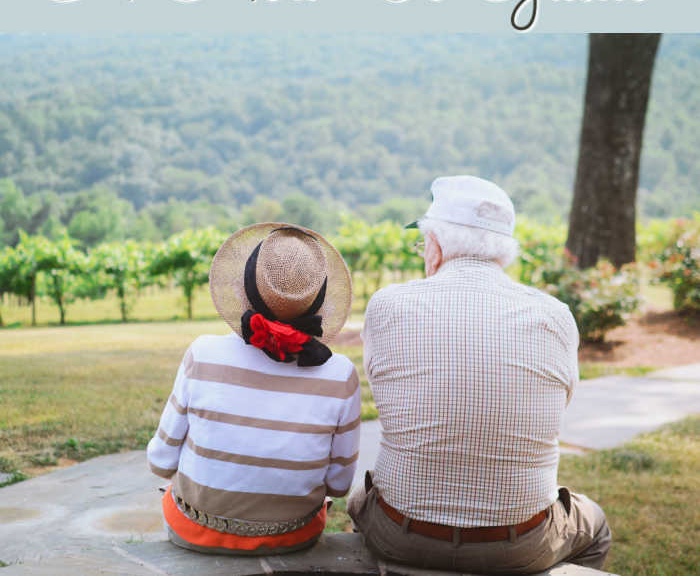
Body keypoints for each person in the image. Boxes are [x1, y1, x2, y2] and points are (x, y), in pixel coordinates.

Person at [349, 175, 612, 574]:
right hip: (520, 544)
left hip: (400, 534)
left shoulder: (388, 305)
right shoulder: (555, 315)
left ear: (435, 245)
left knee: (358, 500)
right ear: (504, 251)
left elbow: (385, 391)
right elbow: (561, 403)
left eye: (423, 242)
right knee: (596, 525)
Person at [147, 223, 361, 555]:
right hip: (294, 536)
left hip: (195, 529)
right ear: (318, 300)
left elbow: (160, 461)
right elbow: (339, 485)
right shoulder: (340, 374)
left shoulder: (202, 353)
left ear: (244, 289)